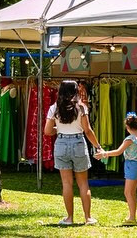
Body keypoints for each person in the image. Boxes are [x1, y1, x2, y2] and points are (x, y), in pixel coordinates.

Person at [44, 80, 101, 226]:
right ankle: (88, 217)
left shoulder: (54, 108)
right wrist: (97, 146)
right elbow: (87, 130)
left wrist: (60, 129)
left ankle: (69, 218)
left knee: (66, 183)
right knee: (83, 183)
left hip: (61, 143)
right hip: (78, 143)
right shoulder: (81, 107)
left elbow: (47, 131)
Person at [96, 112, 137, 226]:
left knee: (128, 192)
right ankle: (132, 215)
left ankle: (132, 217)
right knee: (132, 192)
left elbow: (118, 152)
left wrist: (104, 153)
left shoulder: (129, 139)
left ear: (127, 126)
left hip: (131, 165)